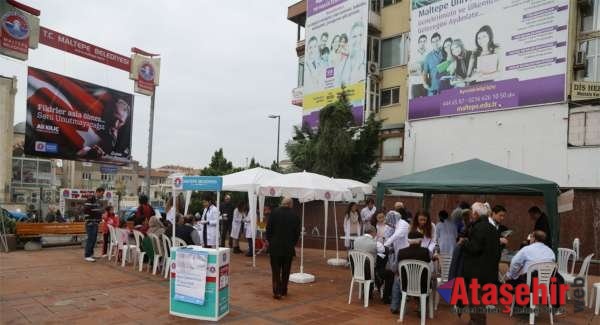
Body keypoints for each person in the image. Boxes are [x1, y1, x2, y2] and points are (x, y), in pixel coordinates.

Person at [459, 202, 500, 325]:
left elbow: (475, 248)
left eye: (472, 212)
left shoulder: (478, 227)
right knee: (479, 299)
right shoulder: (492, 228)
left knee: (475, 299)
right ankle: (475, 321)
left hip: (477, 271)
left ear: (475, 214)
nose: (471, 214)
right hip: (488, 270)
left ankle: (477, 322)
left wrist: (464, 243)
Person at [505, 230, 564, 311]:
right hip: (546, 286)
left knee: (511, 280)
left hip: (529, 285)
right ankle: (525, 303)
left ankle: (520, 303)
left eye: (531, 237)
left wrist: (511, 275)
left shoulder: (526, 249)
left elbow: (514, 263)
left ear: (534, 239)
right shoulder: (550, 251)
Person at [265, 197, 301, 299]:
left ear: (282, 203)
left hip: (275, 247)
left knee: (275, 270)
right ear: (290, 204)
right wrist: (292, 243)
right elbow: (297, 233)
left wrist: (271, 241)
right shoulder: (295, 215)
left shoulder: (274, 213)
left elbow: (268, 229)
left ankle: (277, 291)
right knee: (286, 270)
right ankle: (284, 290)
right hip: (288, 247)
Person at [390, 231, 431, 314]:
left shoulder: (401, 252)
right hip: (422, 285)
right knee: (428, 280)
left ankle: (394, 306)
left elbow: (396, 268)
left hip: (405, 284)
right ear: (420, 241)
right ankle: (421, 309)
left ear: (408, 241)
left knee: (397, 279)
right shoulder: (425, 251)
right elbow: (429, 260)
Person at [352, 224, 387, 296]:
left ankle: (368, 291)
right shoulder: (376, 243)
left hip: (357, 270)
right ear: (373, 232)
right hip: (370, 272)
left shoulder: (356, 240)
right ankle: (384, 293)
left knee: (369, 262)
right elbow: (383, 251)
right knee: (382, 263)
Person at [83, 187, 105, 262]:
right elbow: (86, 210)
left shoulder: (97, 201)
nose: (102, 195)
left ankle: (91, 254)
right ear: (97, 192)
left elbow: (96, 211)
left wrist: (100, 217)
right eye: (102, 193)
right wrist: (89, 221)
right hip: (90, 223)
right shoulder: (91, 199)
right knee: (90, 239)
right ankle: (87, 255)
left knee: (94, 239)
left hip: (95, 222)